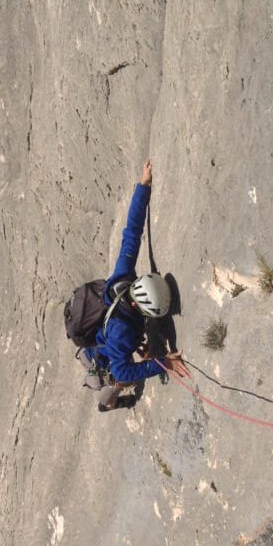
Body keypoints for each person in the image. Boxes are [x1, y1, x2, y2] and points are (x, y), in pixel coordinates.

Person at [81, 159, 190, 411]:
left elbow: (132, 233)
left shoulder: (122, 278)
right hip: (105, 353)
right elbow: (126, 372)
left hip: (107, 338)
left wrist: (143, 185)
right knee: (108, 388)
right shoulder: (121, 336)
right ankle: (110, 405)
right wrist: (164, 363)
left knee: (118, 364)